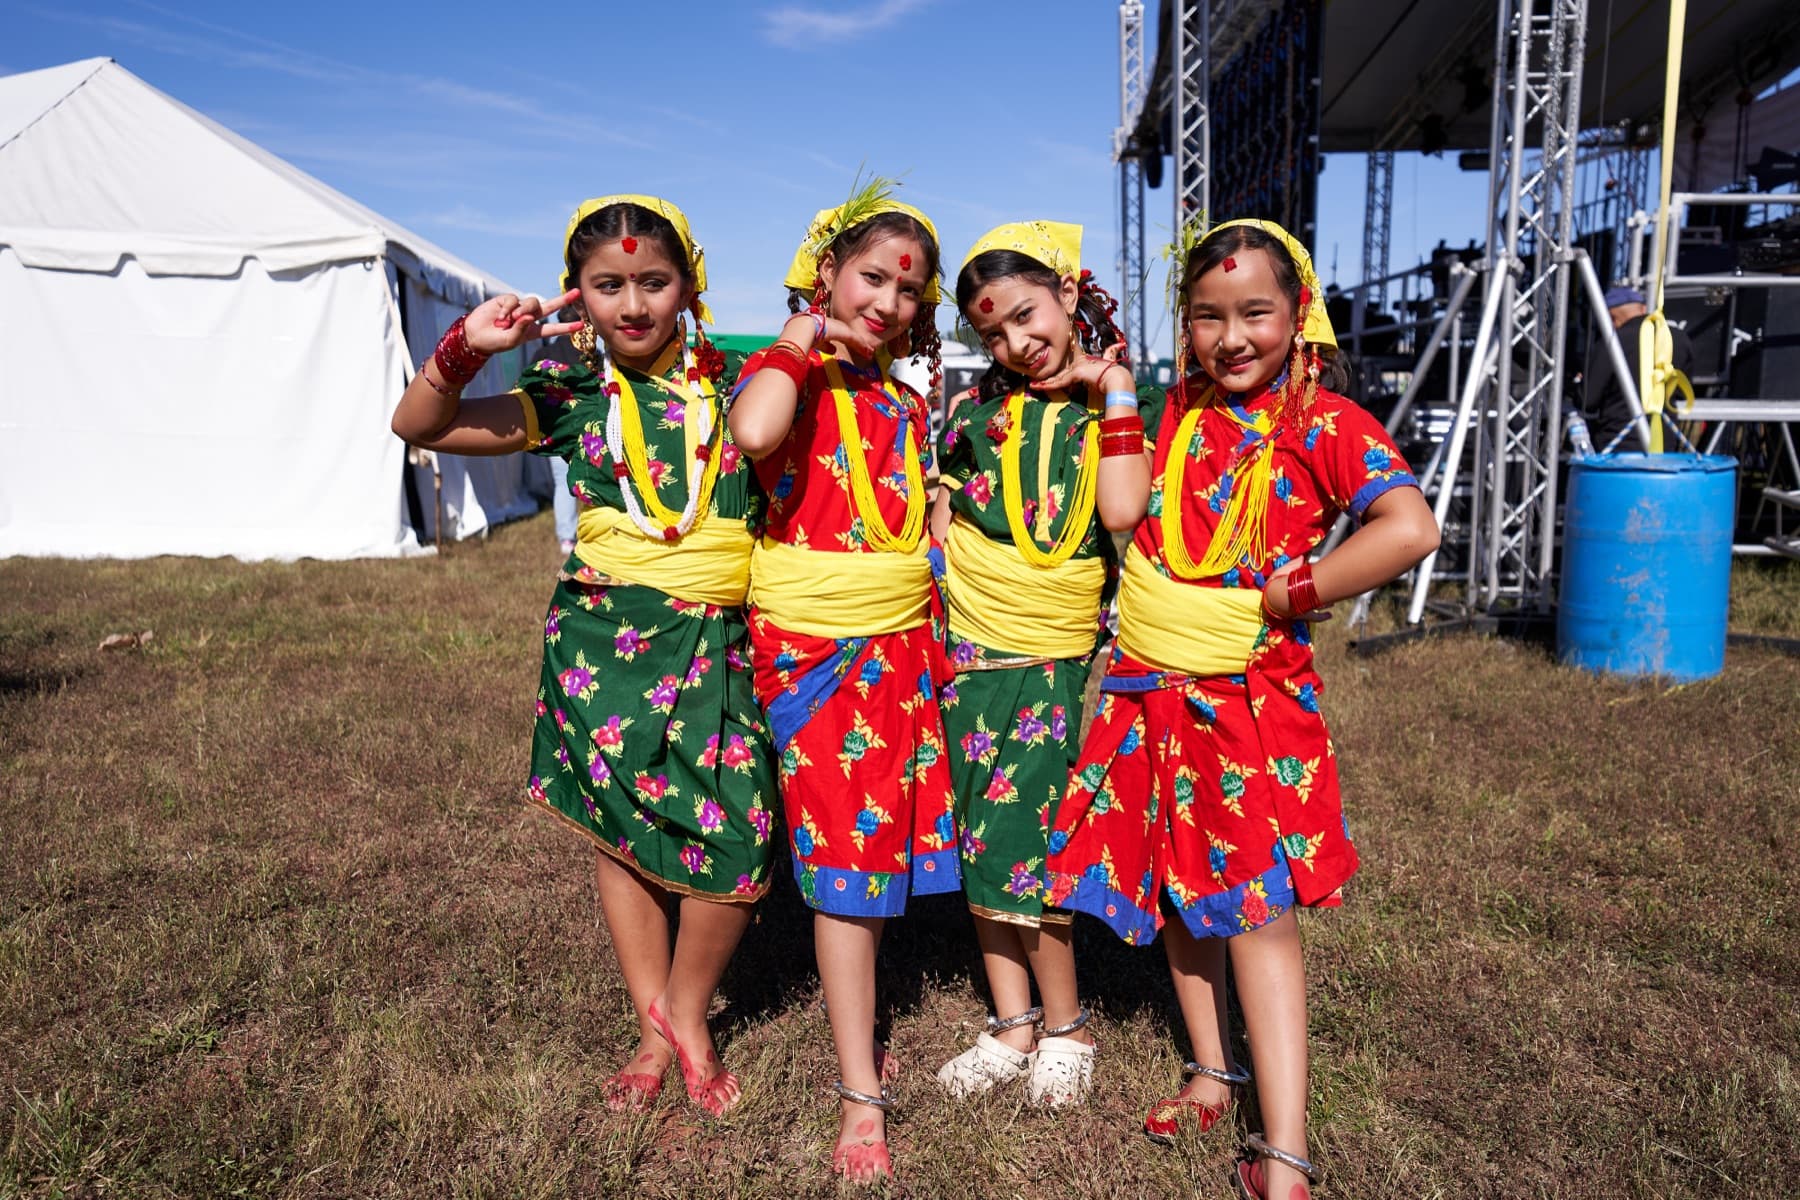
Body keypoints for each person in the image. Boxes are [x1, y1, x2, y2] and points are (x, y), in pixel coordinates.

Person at [1044, 220, 1439, 1200]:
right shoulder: (1180, 406)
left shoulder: (1326, 421)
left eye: (1254, 313)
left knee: (1258, 914)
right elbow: (1129, 512)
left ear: (1299, 316)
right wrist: (1111, 386)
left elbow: (1409, 526)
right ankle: (1212, 1072)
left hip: (1245, 704)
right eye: (1206, 316)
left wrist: (1294, 590)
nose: (1230, 339)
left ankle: (1286, 1149)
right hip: (1149, 689)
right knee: (1184, 888)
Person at [390, 195, 775, 1119]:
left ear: (691, 285)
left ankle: (685, 1009)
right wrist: (468, 346)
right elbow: (419, 426)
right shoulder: (569, 390)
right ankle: (655, 1033)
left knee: (741, 836)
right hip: (605, 641)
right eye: (609, 286)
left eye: (654, 281)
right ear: (579, 293)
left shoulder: (743, 385)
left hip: (721, 636)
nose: (632, 305)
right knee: (624, 832)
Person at [727, 179, 956, 1182]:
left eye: (908, 291)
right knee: (847, 862)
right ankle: (861, 1091)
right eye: (871, 278)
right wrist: (800, 332)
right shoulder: (787, 375)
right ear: (827, 273)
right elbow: (753, 435)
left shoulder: (904, 402)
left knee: (871, 847)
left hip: (897, 648)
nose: (889, 303)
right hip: (817, 654)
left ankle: (862, 1031)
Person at [928, 221, 1152, 1107]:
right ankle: (1013, 1021)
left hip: (1049, 655)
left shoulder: (1115, 408)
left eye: (1027, 315)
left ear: (1066, 292)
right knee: (980, 828)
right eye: (993, 333)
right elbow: (943, 522)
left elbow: (1123, 512)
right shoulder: (972, 416)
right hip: (966, 648)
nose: (1017, 344)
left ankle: (1067, 1024)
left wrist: (1115, 384)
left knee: (1035, 834)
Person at [1583, 285, 1695, 451]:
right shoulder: (1678, 338)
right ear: (1643, 308)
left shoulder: (1612, 342)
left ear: (1611, 318)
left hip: (1617, 444)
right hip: (1664, 442)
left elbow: (1588, 400)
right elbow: (1681, 390)